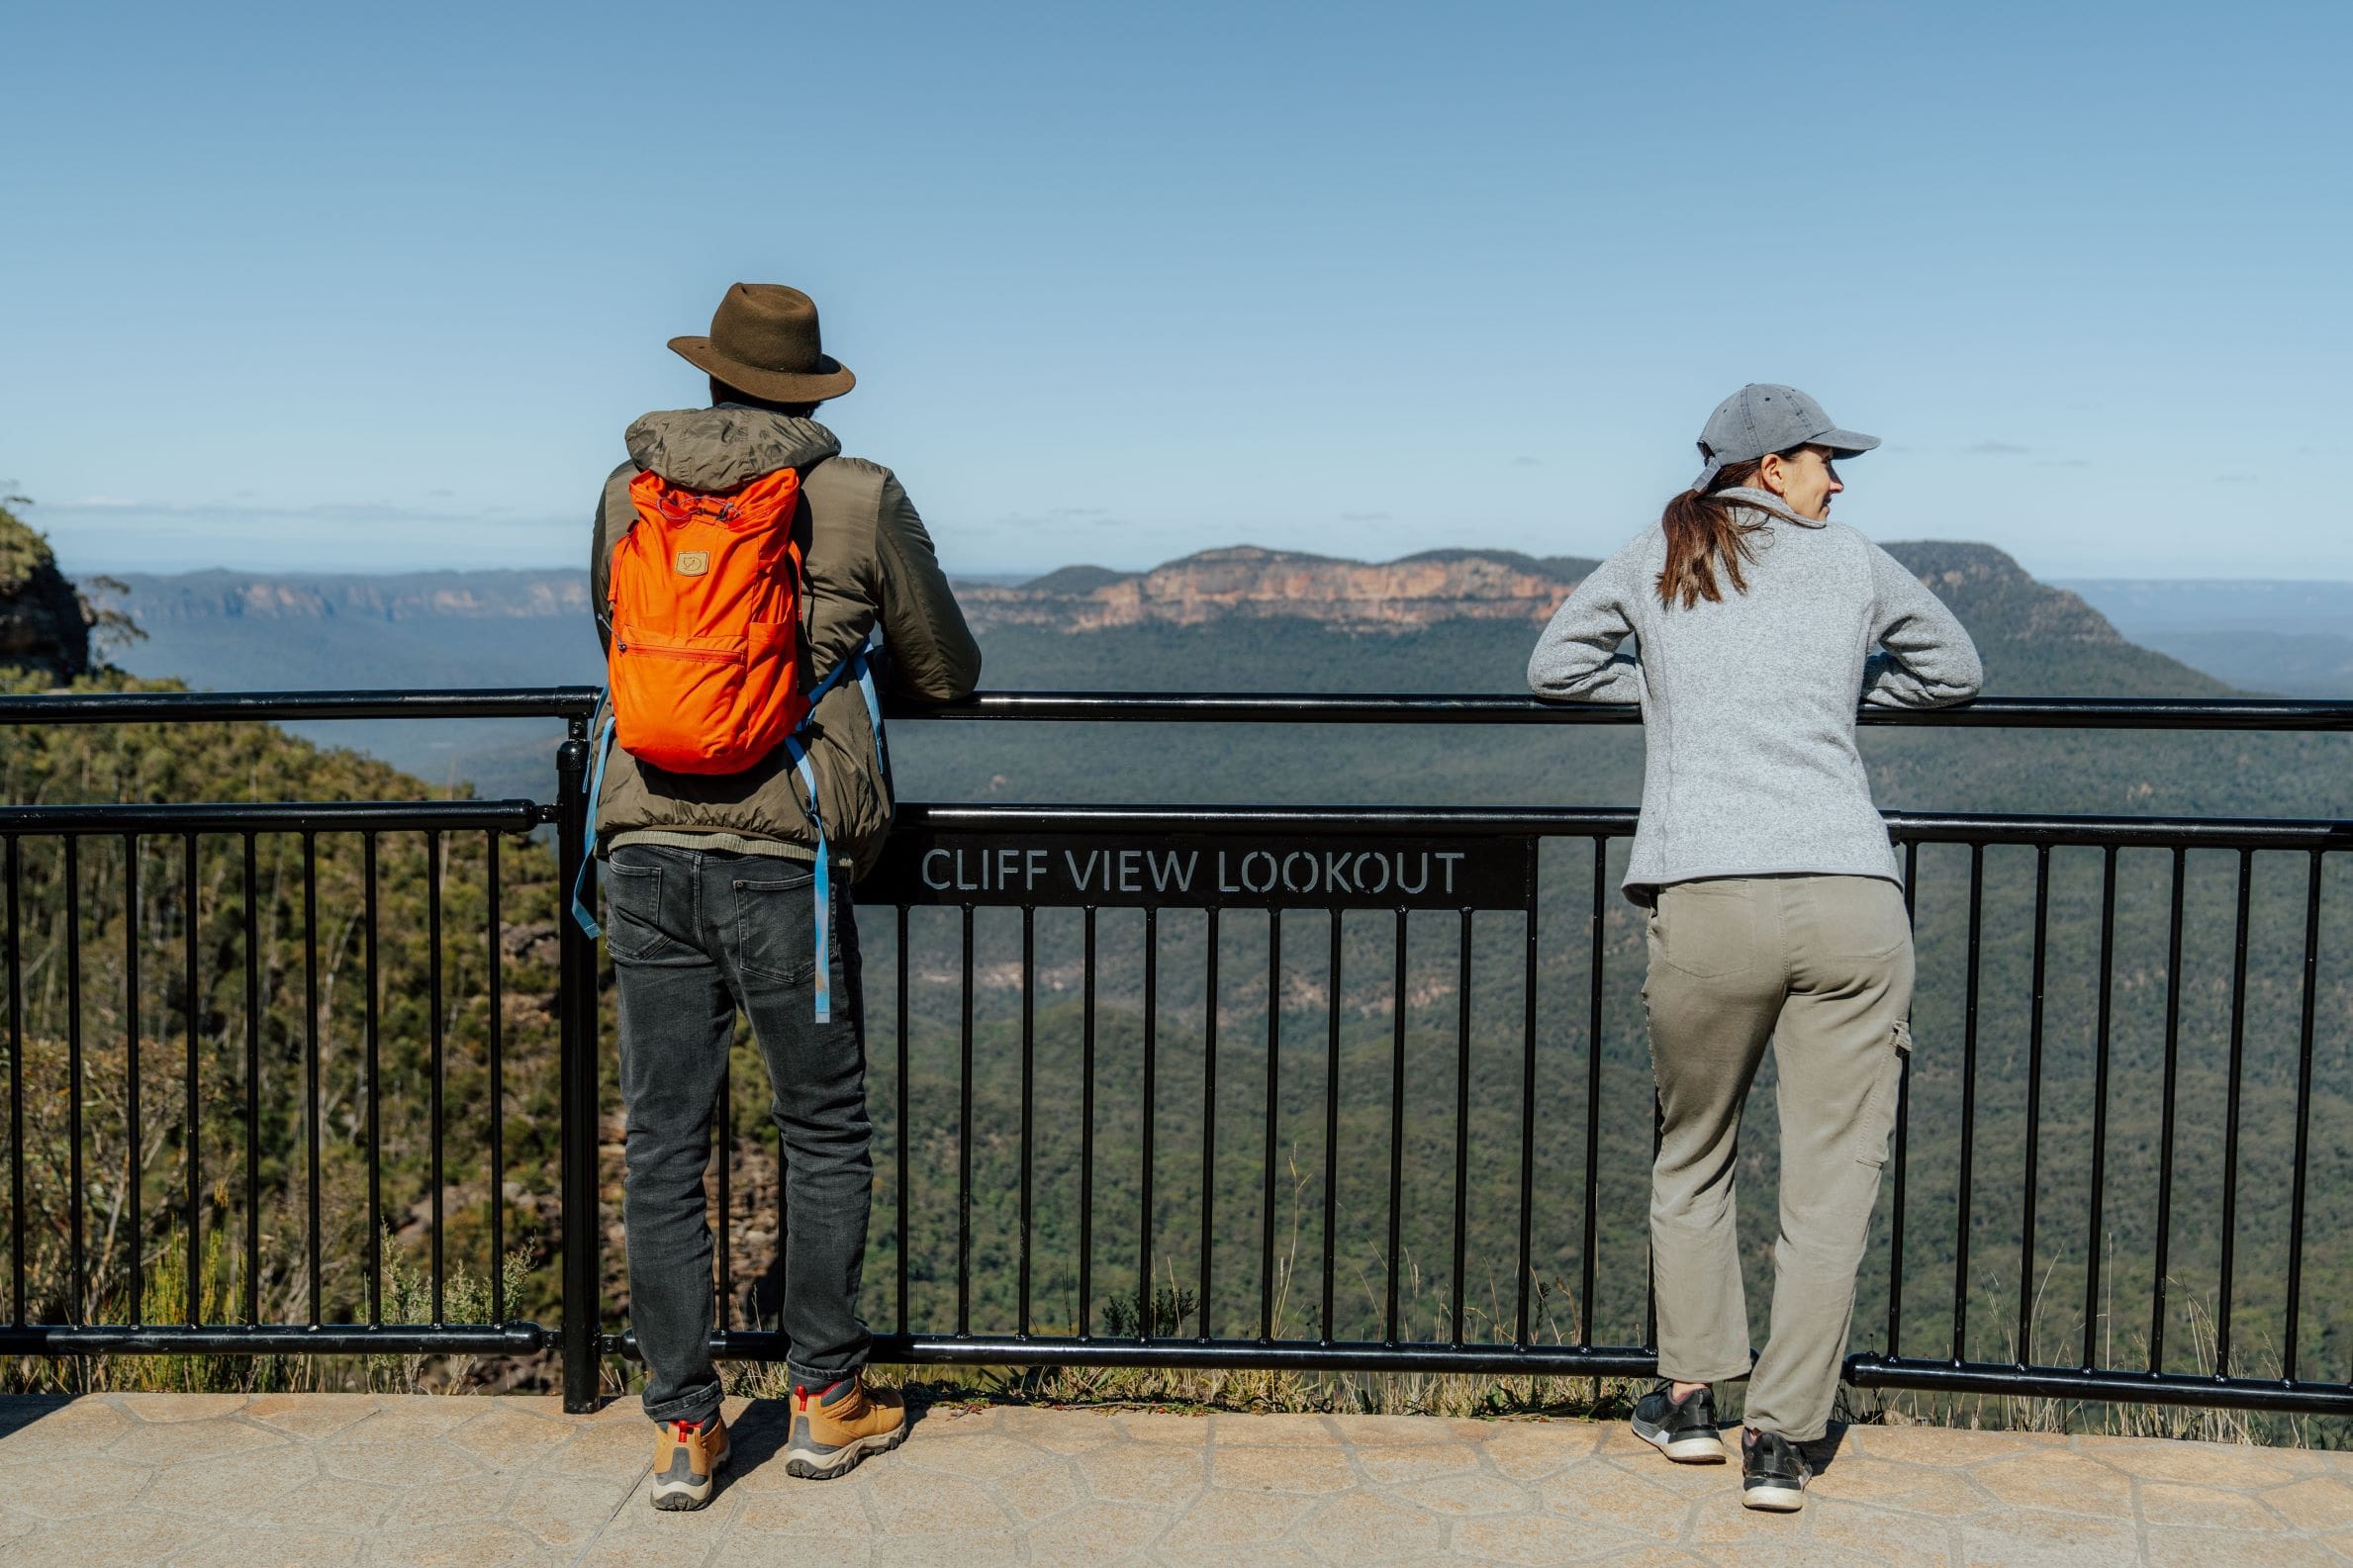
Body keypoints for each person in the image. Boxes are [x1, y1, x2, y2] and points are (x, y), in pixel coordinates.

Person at [1526, 384, 1981, 1513]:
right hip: (1848, 898)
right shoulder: (1855, 562)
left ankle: (1686, 1403)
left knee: (1692, 1154)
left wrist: (1675, 694)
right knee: (1831, 1185)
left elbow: (1553, 670)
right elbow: (1953, 672)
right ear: (1771, 465)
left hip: (1707, 893)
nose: (1840, 478)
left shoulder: (1655, 553)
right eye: (1827, 459)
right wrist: (1836, 691)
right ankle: (1779, 1440)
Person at [590, 282, 982, 1508]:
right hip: (785, 856)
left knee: (659, 1141)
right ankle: (824, 1398)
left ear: (711, 377)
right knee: (819, 1128)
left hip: (642, 842)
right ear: (809, 390)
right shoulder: (855, 495)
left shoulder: (628, 489)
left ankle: (682, 1430)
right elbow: (946, 670)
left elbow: (613, 628)